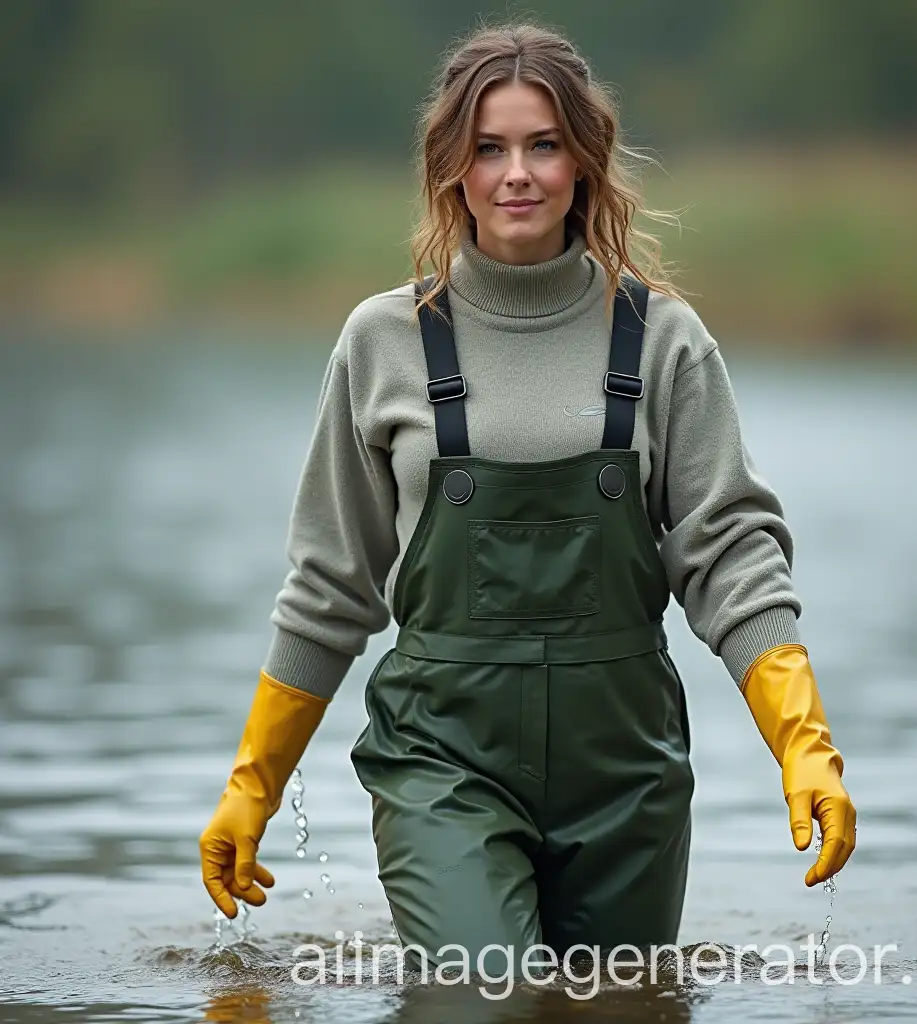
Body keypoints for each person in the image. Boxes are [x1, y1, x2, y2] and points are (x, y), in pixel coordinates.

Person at [199, 22, 856, 975]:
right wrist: (253, 786)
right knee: (483, 993)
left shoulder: (664, 340)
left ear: (584, 162)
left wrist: (804, 745)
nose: (517, 173)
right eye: (489, 148)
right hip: (441, 764)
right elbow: (331, 583)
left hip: (625, 776)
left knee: (618, 1004)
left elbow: (732, 557)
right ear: (450, 169)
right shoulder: (384, 342)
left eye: (543, 145)